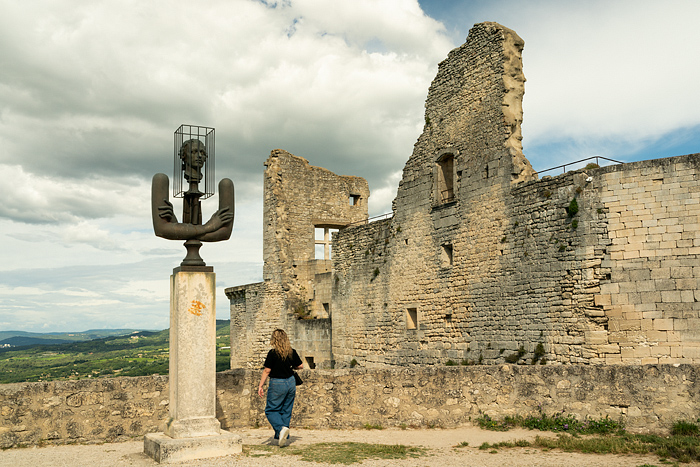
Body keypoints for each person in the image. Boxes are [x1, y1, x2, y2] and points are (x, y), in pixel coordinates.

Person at [258, 329, 303, 446]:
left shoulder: (272, 353)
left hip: (277, 383)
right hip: (291, 382)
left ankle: (280, 429)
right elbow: (301, 366)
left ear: (274, 339)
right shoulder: (291, 352)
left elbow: (267, 370)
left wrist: (260, 385)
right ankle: (282, 436)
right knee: (286, 410)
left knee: (271, 410)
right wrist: (291, 366)